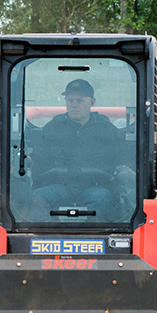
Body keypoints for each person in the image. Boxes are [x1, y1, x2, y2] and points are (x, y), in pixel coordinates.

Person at [31, 79, 127, 218]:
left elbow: (122, 159)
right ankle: (44, 236)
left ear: (92, 102)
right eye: (70, 100)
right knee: (37, 198)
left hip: (95, 187)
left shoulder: (107, 130)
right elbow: (38, 159)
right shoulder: (52, 128)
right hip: (60, 186)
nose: (74, 104)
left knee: (103, 199)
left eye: (79, 100)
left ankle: (97, 236)